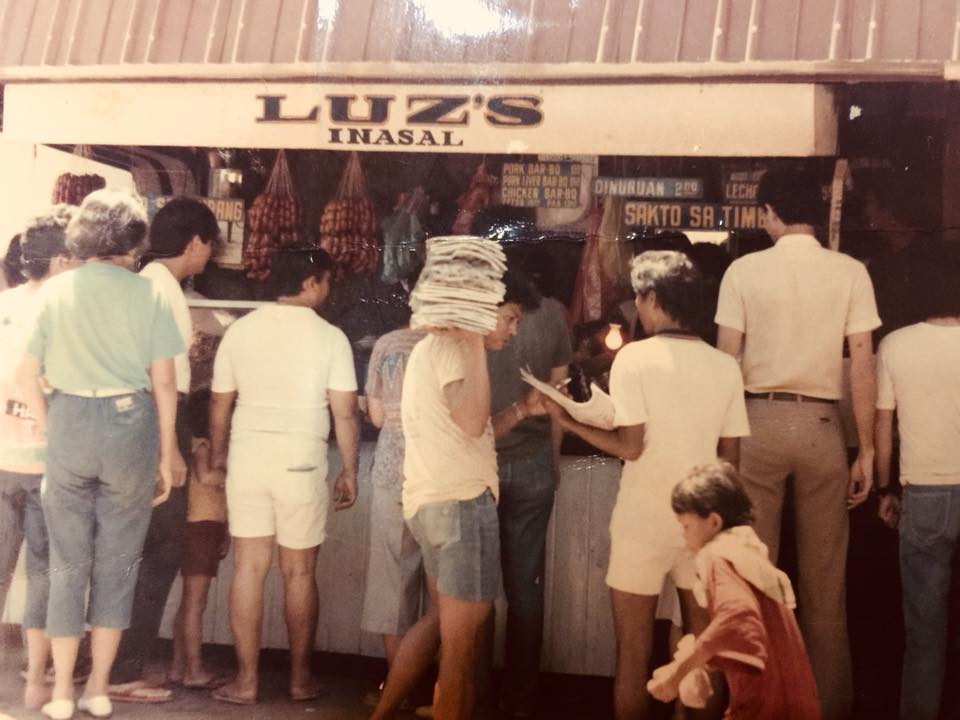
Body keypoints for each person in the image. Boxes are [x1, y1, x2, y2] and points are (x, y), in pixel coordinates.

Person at [536, 250, 750, 720]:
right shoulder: (725, 366)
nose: (638, 308)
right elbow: (730, 461)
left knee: (632, 656)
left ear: (653, 297)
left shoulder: (634, 358)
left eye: (639, 298)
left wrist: (569, 422)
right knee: (701, 655)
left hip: (642, 520)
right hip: (702, 526)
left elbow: (630, 447)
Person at [715, 166, 880, 720]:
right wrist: (870, 450)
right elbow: (862, 362)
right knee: (825, 583)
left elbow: (725, 363)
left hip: (756, 423)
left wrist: (722, 446)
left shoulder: (743, 270)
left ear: (768, 215)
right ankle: (828, 707)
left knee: (754, 580)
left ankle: (755, 704)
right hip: (822, 429)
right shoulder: (851, 271)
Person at [16, 189, 183, 720]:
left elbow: (24, 374)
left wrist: (50, 425)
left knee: (67, 564)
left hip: (68, 422)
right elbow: (165, 381)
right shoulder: (149, 294)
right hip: (129, 425)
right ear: (134, 240)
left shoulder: (56, 291)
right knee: (117, 565)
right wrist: (165, 452)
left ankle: (62, 690)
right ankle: (100, 690)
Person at [371, 264, 542, 720]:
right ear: (484, 310)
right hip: (460, 506)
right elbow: (470, 422)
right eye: (510, 316)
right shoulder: (456, 347)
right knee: (463, 642)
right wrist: (472, 343)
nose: (514, 327)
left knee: (445, 626)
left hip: (435, 501)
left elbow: (472, 430)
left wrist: (524, 409)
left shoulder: (441, 347)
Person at [209, 247, 360, 706]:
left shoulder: (240, 330)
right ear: (311, 283)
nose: (328, 291)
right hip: (302, 460)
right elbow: (346, 414)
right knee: (299, 572)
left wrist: (217, 456)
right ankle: (299, 680)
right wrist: (350, 469)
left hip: (249, 457)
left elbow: (219, 404)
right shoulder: (330, 337)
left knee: (249, 569)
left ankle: (247, 682)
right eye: (327, 282)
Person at [108, 195, 219, 703]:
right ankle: (124, 670)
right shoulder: (164, 289)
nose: (210, 255)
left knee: (130, 549)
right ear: (194, 242)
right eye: (209, 246)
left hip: (133, 420)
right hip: (157, 418)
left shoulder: (146, 283)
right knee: (160, 548)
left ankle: (104, 662)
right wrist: (168, 451)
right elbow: (163, 378)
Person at [647, 462, 820, 719]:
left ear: (714, 522)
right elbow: (752, 628)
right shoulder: (748, 554)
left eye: (686, 527)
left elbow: (739, 615)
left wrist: (678, 672)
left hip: (763, 708)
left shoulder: (718, 558)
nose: (684, 539)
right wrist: (704, 662)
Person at [874, 244, 960, 720]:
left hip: (923, 493)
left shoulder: (896, 345)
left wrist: (886, 490)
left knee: (925, 628)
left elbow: (883, 427)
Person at [486, 253, 571, 718]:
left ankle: (471, 691)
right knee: (525, 591)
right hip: (534, 462)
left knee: (474, 590)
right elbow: (557, 398)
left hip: (481, 463)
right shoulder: (555, 314)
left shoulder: (480, 313)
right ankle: (519, 702)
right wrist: (553, 458)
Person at [0, 206, 77, 710]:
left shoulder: (5, 304)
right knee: (47, 572)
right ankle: (35, 680)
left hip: (2, 456)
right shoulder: (67, 310)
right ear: (63, 260)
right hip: (48, 461)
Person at [359, 269, 427, 710]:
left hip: (391, 473)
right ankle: (434, 687)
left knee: (392, 582)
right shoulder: (453, 344)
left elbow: (378, 417)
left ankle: (397, 689)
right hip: (435, 473)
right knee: (438, 588)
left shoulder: (386, 345)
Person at [169, 389, 229, 689]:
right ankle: (194, 669)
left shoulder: (197, 443)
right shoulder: (204, 445)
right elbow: (207, 478)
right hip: (201, 527)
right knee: (196, 603)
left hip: (206, 526)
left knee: (188, 603)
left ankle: (179, 667)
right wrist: (236, 474)